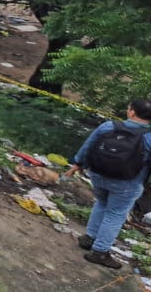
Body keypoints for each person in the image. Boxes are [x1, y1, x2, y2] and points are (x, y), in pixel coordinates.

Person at [63, 99, 151, 269]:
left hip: (98, 175)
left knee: (102, 203)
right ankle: (100, 251)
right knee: (115, 214)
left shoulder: (108, 126)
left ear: (132, 112)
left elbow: (88, 146)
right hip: (127, 183)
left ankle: (89, 238)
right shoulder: (148, 137)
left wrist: (78, 164)